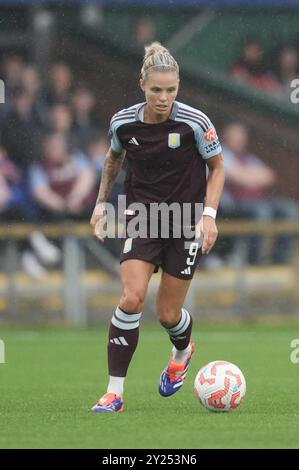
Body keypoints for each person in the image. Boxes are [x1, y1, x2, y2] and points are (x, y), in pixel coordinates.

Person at [89, 42, 225, 413]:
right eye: (156, 90)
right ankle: (114, 392)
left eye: (171, 90)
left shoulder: (195, 123)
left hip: (185, 221)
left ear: (178, 87)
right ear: (142, 86)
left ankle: (182, 348)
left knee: (167, 314)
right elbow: (113, 157)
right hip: (143, 218)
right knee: (132, 298)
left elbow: (217, 168)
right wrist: (101, 203)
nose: (164, 98)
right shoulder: (123, 122)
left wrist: (209, 216)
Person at [219, 122, 299, 265]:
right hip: (232, 204)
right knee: (261, 211)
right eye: (236, 137)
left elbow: (269, 176)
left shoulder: (248, 158)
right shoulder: (219, 155)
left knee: (290, 210)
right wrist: (250, 177)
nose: (239, 141)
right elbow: (237, 178)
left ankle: (279, 261)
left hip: (256, 200)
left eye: (241, 137)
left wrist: (246, 176)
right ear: (226, 137)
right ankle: (255, 262)